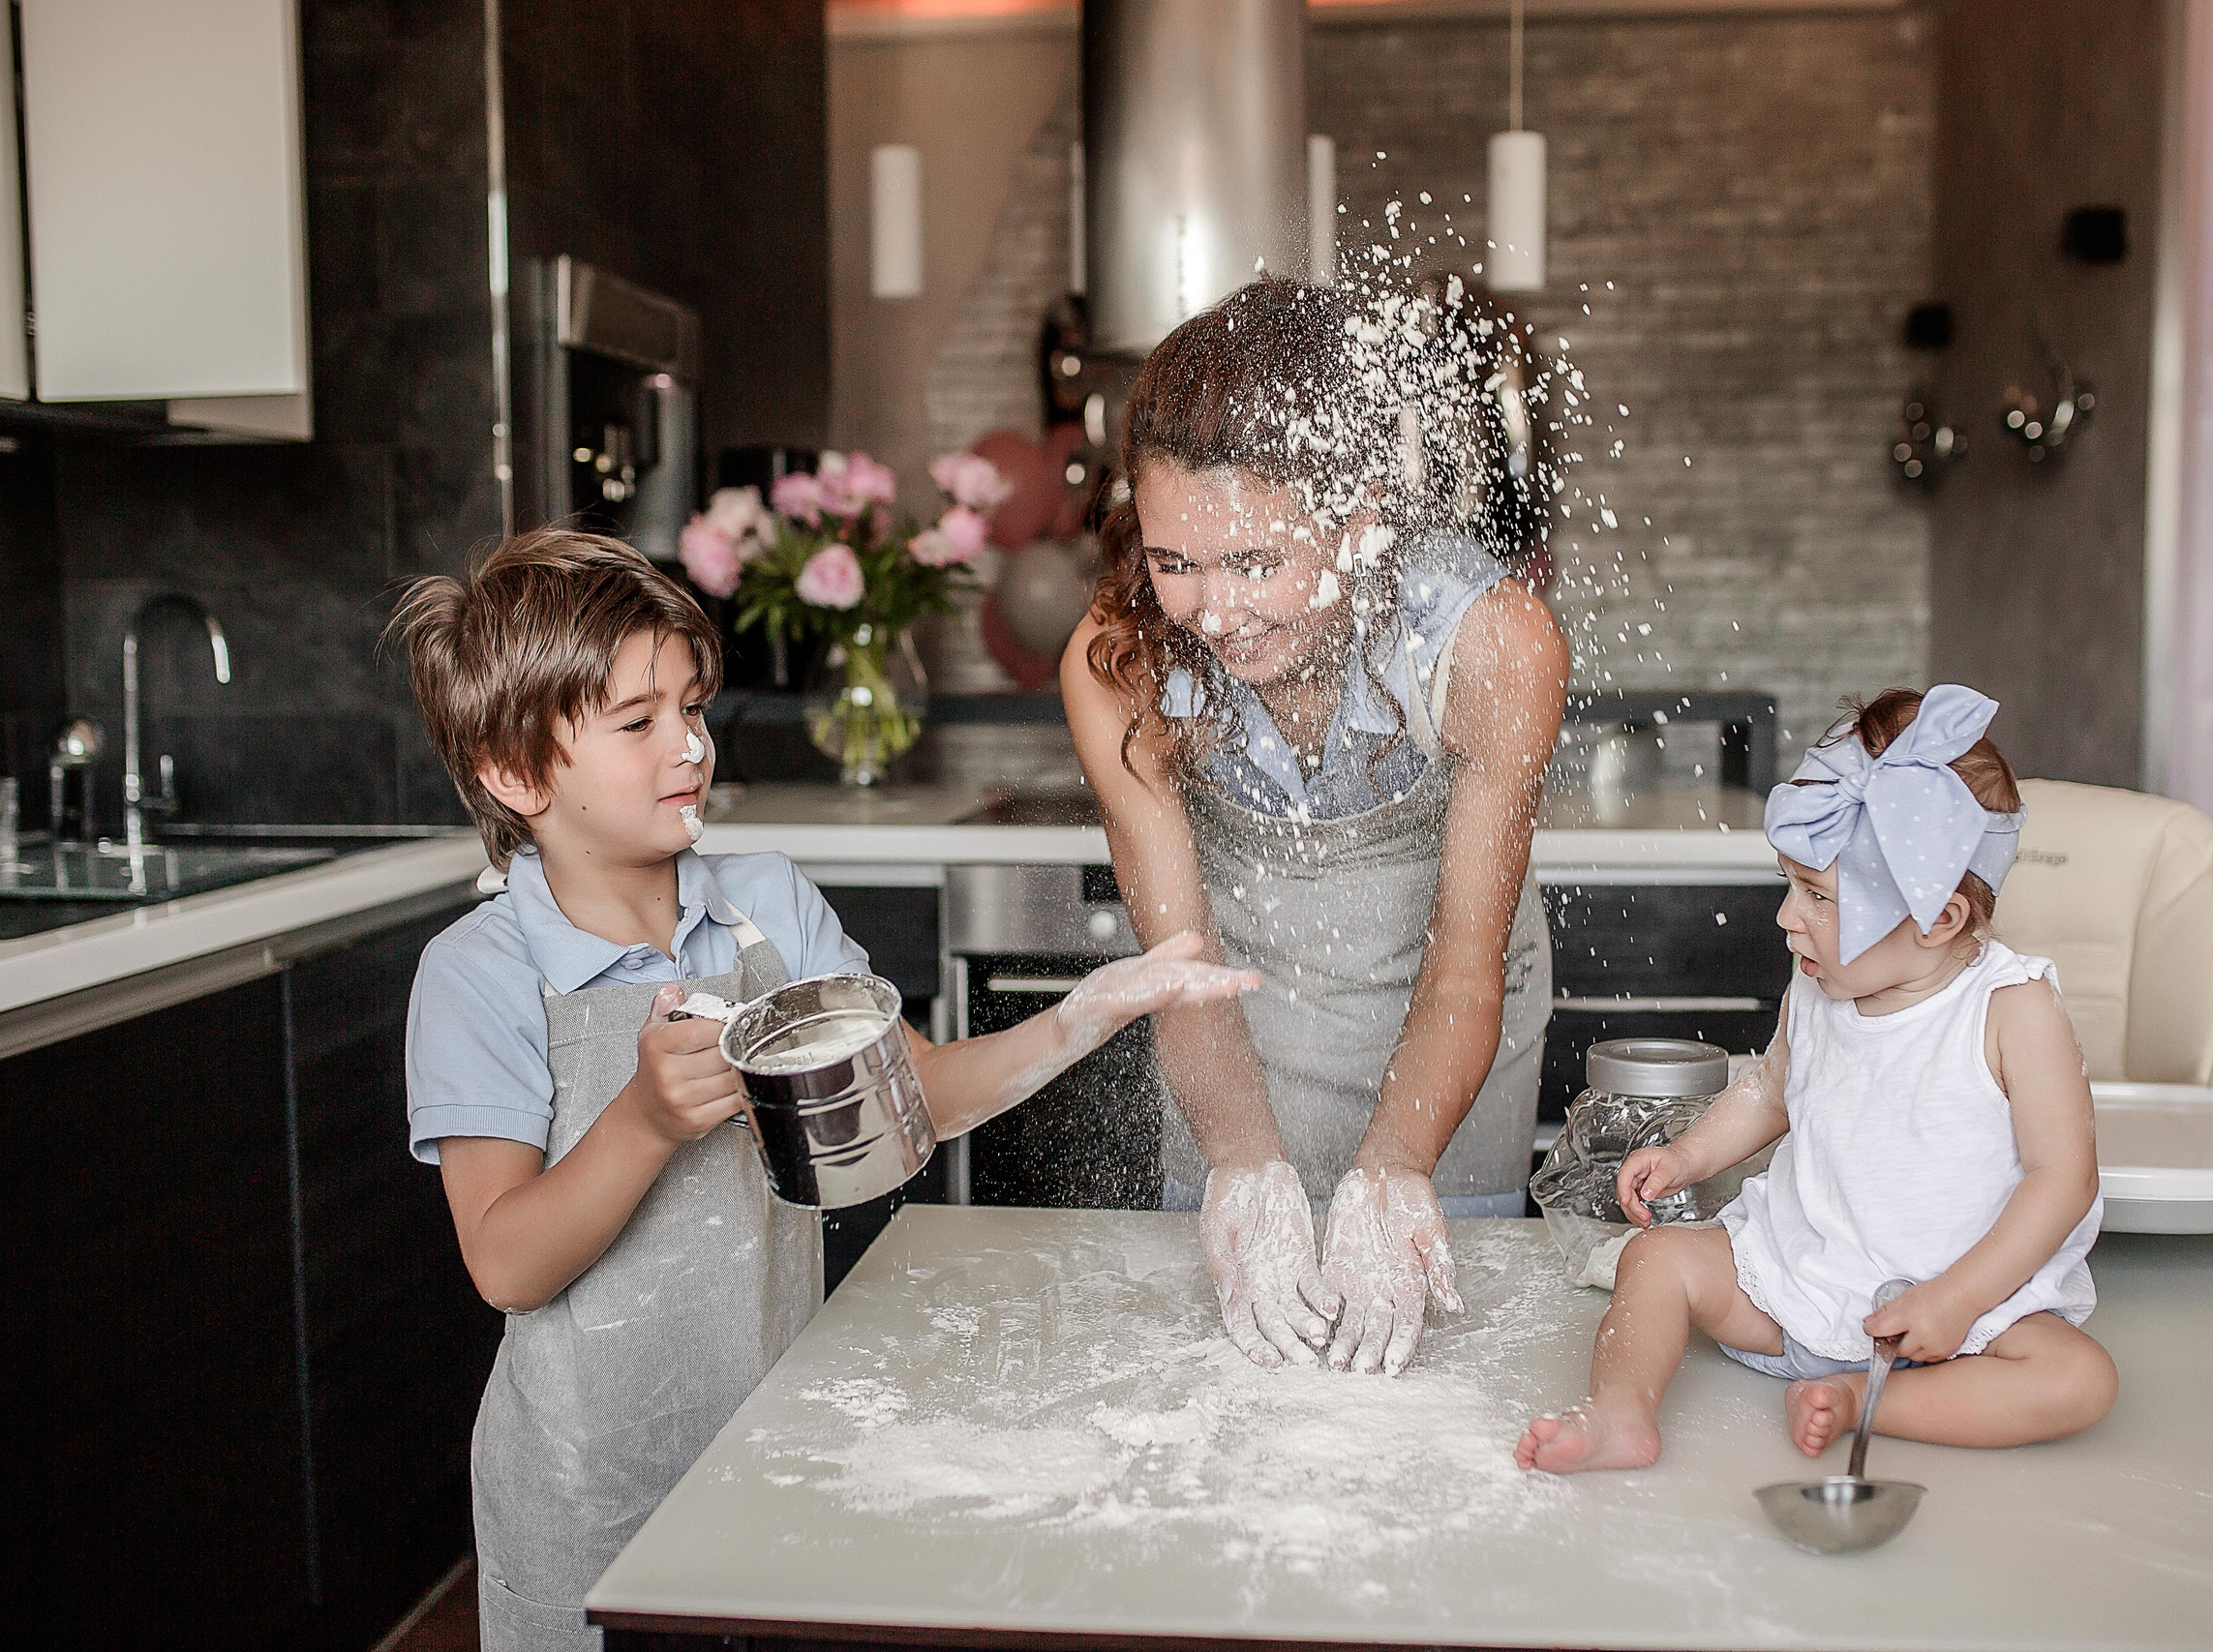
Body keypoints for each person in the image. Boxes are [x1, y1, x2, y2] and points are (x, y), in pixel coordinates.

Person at [389, 530, 1257, 1649]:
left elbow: (921, 1095)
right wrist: (645, 1121)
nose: (688, 746)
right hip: (583, 1496)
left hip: (767, 1446)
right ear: (514, 773)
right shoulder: (479, 974)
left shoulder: (763, 905)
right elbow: (506, 1263)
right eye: (637, 722)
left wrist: (1089, 1012)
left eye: (692, 709)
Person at [1060, 278, 1569, 1377]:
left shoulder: (1492, 645)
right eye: (1172, 562)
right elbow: (1180, 965)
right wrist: (1241, 1161)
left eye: (1255, 562)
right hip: (1236, 1057)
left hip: (1448, 1057)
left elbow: (1463, 975)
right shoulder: (1123, 663)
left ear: (1362, 515)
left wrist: (1396, 1167)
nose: (1216, 611)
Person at [1517, 685, 2117, 1473]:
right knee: (1653, 1262)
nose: (1786, 918)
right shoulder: (1821, 985)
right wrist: (1690, 1156)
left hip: (1969, 1311)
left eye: (1820, 897)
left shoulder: (2012, 1008)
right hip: (1803, 1280)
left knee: (2079, 1378)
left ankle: (1871, 1399)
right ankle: (1621, 1412)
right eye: (1790, 885)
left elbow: (2062, 1176)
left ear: (1940, 919)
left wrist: (1959, 1297)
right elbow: (1772, 1089)